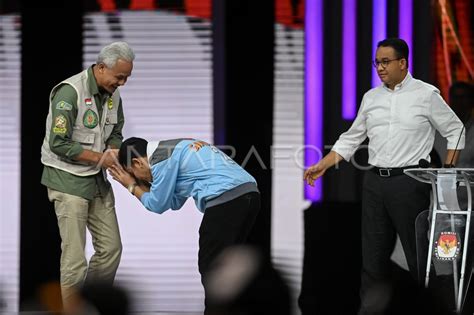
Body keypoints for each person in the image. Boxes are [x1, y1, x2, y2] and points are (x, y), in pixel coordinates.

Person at [303, 38, 465, 314]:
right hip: (374, 183)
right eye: (377, 62)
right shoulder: (371, 97)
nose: (380, 67)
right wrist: (324, 164)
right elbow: (351, 138)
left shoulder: (426, 94)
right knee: (372, 259)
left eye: (386, 61)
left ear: (403, 63)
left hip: (410, 181)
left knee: (420, 258)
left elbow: (456, 130)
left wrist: (447, 173)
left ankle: (431, 309)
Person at [108, 137, 260, 313]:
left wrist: (131, 185)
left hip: (226, 199)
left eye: (132, 172)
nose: (137, 177)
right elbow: (174, 201)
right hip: (249, 195)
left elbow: (157, 204)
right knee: (230, 268)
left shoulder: (160, 159)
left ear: (137, 162)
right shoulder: (173, 148)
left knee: (212, 269)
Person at [40, 41, 135, 308]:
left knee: (111, 249)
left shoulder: (114, 95)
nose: (123, 83)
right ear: (101, 67)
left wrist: (114, 151)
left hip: (96, 179)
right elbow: (58, 142)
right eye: (119, 77)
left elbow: (116, 131)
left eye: (127, 77)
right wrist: (99, 158)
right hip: (67, 178)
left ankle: (92, 305)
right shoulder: (69, 93)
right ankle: (72, 311)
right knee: (74, 257)